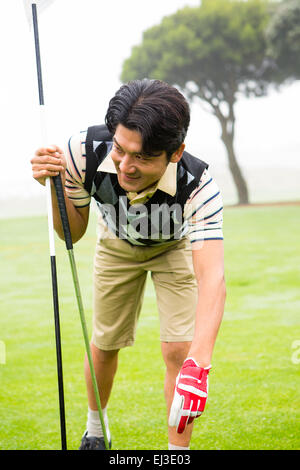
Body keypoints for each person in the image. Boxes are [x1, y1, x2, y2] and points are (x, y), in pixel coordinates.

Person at [30, 79, 226, 450]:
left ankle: (176, 453)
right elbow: (72, 233)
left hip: (174, 247)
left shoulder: (199, 184)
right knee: (105, 342)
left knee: (180, 352)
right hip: (116, 243)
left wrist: (199, 366)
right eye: (121, 149)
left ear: (175, 152)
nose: (127, 166)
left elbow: (212, 277)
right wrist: (54, 188)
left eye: (144, 157)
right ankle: (95, 431)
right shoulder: (80, 152)